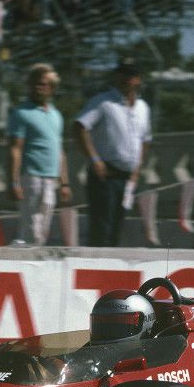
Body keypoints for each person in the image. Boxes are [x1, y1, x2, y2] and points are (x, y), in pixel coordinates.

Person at [74, 58, 152, 247]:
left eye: (130, 75)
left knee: (118, 226)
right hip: (106, 175)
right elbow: (80, 127)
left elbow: (145, 139)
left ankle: (111, 262)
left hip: (127, 177)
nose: (126, 78)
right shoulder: (103, 102)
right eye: (122, 74)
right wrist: (95, 159)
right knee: (102, 227)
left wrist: (138, 168)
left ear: (138, 79)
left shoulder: (143, 107)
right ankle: (96, 263)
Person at [7, 63, 72, 245]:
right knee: (31, 228)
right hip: (31, 177)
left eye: (43, 84)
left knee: (43, 230)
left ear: (51, 88)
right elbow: (15, 149)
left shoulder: (56, 115)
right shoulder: (21, 113)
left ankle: (28, 255)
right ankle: (23, 257)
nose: (38, 87)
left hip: (51, 179)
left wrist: (65, 183)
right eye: (34, 83)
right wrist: (13, 182)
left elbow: (59, 150)